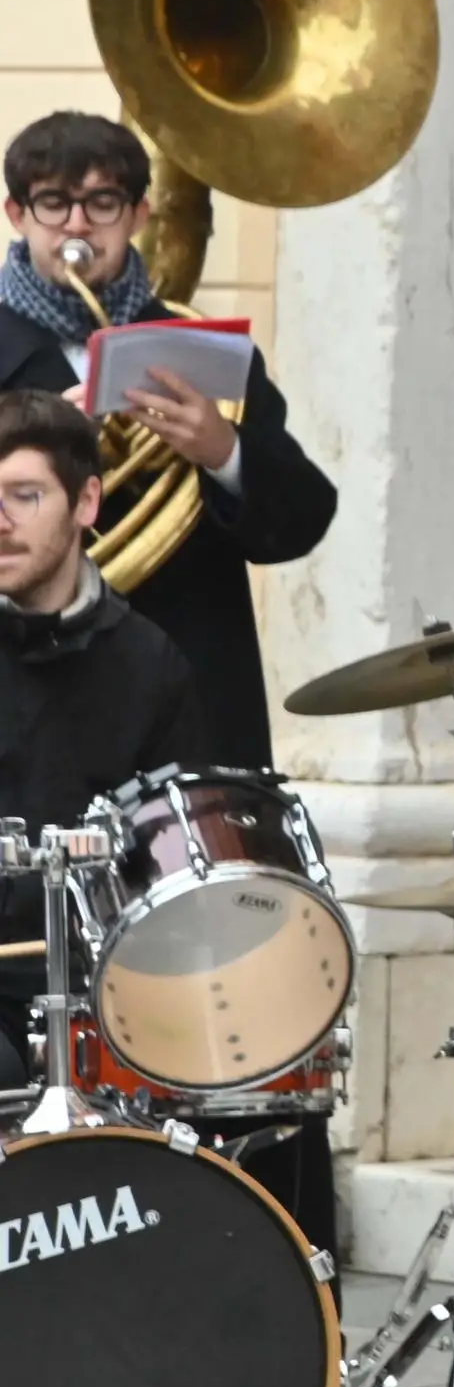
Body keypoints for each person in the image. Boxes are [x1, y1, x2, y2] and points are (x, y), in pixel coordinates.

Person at [0, 110, 339, 768]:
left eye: (102, 202)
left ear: (138, 215)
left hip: (187, 692)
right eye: (54, 203)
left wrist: (222, 450)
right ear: (18, 214)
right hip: (26, 702)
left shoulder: (203, 351)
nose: (77, 224)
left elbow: (304, 519)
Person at [0, 390, 204, 1093]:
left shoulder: (151, 665)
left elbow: (173, 872)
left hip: (102, 1004)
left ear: (87, 502)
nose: (0, 521)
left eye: (25, 496)